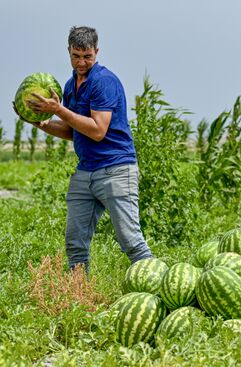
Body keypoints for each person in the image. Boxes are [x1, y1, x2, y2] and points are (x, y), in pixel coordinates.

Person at [13, 26, 153, 271]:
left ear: (96, 52)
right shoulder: (69, 87)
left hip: (116, 169)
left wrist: (58, 110)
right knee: (75, 244)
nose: (81, 62)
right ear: (68, 51)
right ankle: (79, 297)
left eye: (87, 56)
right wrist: (39, 122)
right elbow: (72, 130)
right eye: (76, 55)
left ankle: (158, 288)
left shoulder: (104, 81)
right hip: (86, 171)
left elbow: (98, 130)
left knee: (131, 241)